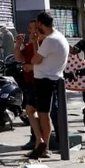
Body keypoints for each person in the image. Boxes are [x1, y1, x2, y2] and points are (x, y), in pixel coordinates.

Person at [26, 11, 69, 160]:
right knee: (30, 109)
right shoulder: (59, 36)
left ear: (39, 23)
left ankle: (44, 146)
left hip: (45, 81)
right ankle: (40, 141)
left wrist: (33, 42)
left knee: (44, 115)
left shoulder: (50, 40)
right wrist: (35, 41)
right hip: (48, 79)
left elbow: (34, 60)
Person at [15, 21, 43, 152]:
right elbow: (18, 58)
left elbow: (42, 61)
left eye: (31, 28)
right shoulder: (28, 45)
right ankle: (35, 139)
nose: (28, 30)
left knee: (41, 112)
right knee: (31, 110)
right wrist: (18, 45)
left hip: (41, 81)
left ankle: (42, 140)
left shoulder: (44, 43)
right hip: (29, 82)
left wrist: (32, 66)